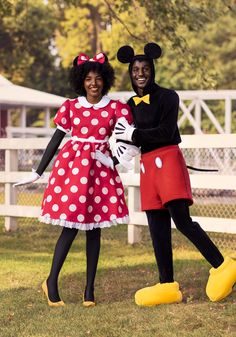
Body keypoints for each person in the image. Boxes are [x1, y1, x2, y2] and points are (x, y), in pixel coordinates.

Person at [112, 43, 236, 306]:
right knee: (157, 227)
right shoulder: (128, 105)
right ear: (130, 73)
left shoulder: (169, 97)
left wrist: (133, 134)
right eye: (135, 70)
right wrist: (115, 155)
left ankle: (224, 265)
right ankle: (167, 284)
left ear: (153, 69)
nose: (140, 73)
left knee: (181, 221)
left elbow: (166, 131)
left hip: (168, 161)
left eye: (145, 68)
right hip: (146, 166)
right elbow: (127, 140)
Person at [14, 51, 136, 307]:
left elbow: (130, 138)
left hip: (100, 172)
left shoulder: (115, 108)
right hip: (73, 172)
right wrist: (37, 171)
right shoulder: (71, 107)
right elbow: (55, 141)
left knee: (95, 230)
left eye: (98, 78)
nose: (93, 83)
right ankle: (51, 282)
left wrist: (114, 161)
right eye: (88, 78)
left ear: (105, 80)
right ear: (81, 80)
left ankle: (89, 290)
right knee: (70, 227)